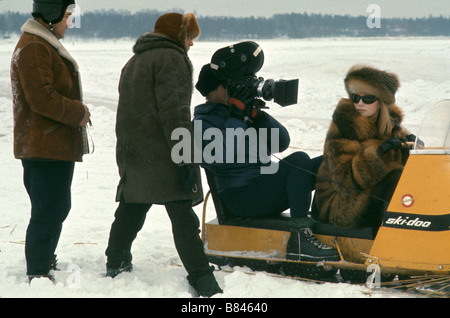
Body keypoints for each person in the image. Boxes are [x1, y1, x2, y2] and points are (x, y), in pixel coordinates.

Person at [105, 12, 222, 297]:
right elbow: (175, 112)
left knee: (132, 207)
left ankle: (116, 261)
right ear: (179, 35)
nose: (192, 44)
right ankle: (202, 278)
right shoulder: (171, 59)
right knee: (183, 214)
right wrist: (183, 155)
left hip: (135, 151)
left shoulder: (134, 61)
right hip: (164, 152)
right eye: (190, 37)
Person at [193, 43, 339, 262]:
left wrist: (257, 116)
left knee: (329, 162)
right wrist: (236, 117)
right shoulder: (202, 123)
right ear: (213, 91)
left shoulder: (240, 113)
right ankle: (300, 238)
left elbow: (281, 142)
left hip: (261, 185)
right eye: (228, 85)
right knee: (299, 161)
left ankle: (326, 219)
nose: (234, 89)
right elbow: (222, 157)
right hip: (240, 198)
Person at [10, 0, 90, 282]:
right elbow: (41, 97)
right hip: (43, 147)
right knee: (48, 209)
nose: (69, 22)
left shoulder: (41, 43)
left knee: (56, 206)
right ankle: (38, 272)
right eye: (66, 16)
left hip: (51, 145)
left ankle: (44, 260)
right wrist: (77, 111)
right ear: (53, 14)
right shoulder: (34, 46)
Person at [313, 65, 416, 229]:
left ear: (382, 102)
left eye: (367, 99)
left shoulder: (393, 128)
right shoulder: (344, 126)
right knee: (395, 178)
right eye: (355, 97)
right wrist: (381, 154)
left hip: (367, 195)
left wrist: (412, 150)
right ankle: (388, 241)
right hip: (339, 203)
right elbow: (344, 182)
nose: (360, 103)